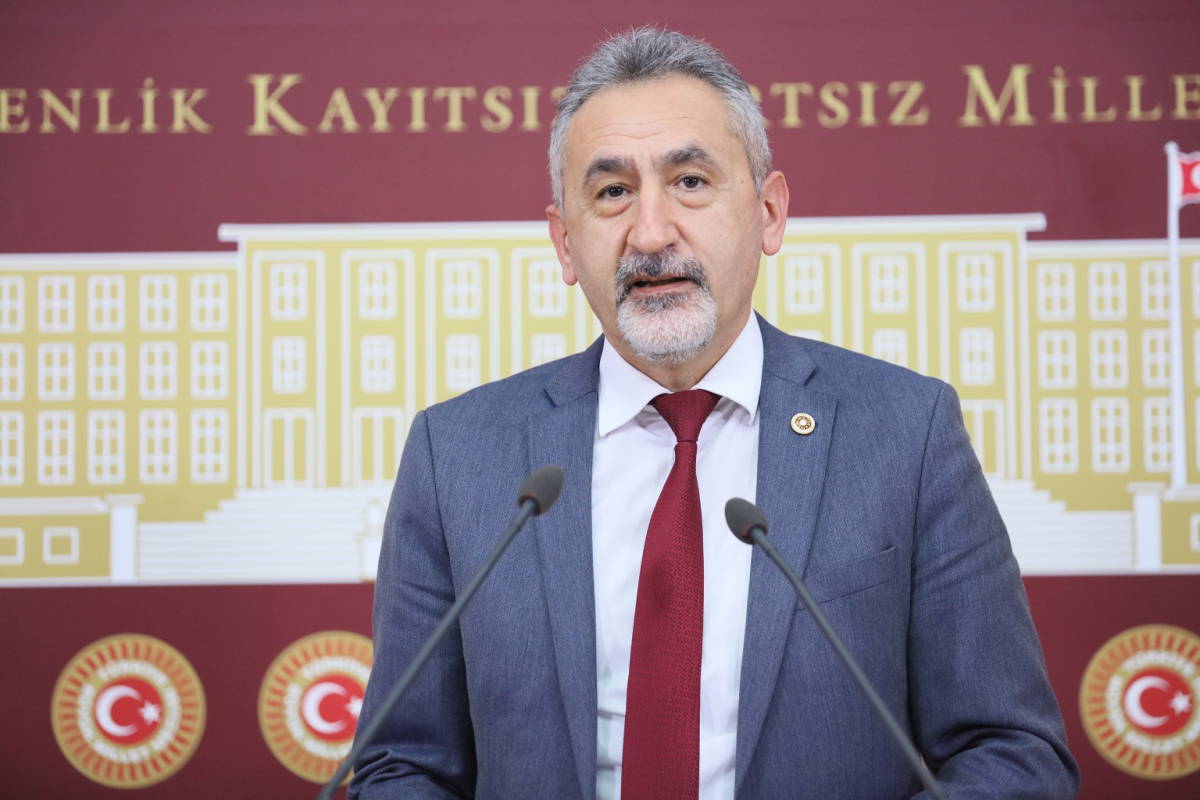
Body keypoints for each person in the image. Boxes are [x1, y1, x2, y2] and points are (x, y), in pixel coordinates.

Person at [349, 28, 1079, 799]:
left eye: (691, 181)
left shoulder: (905, 433)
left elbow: (1011, 753)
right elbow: (403, 766)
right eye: (611, 193)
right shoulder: (458, 456)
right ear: (564, 243)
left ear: (769, 213)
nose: (651, 232)